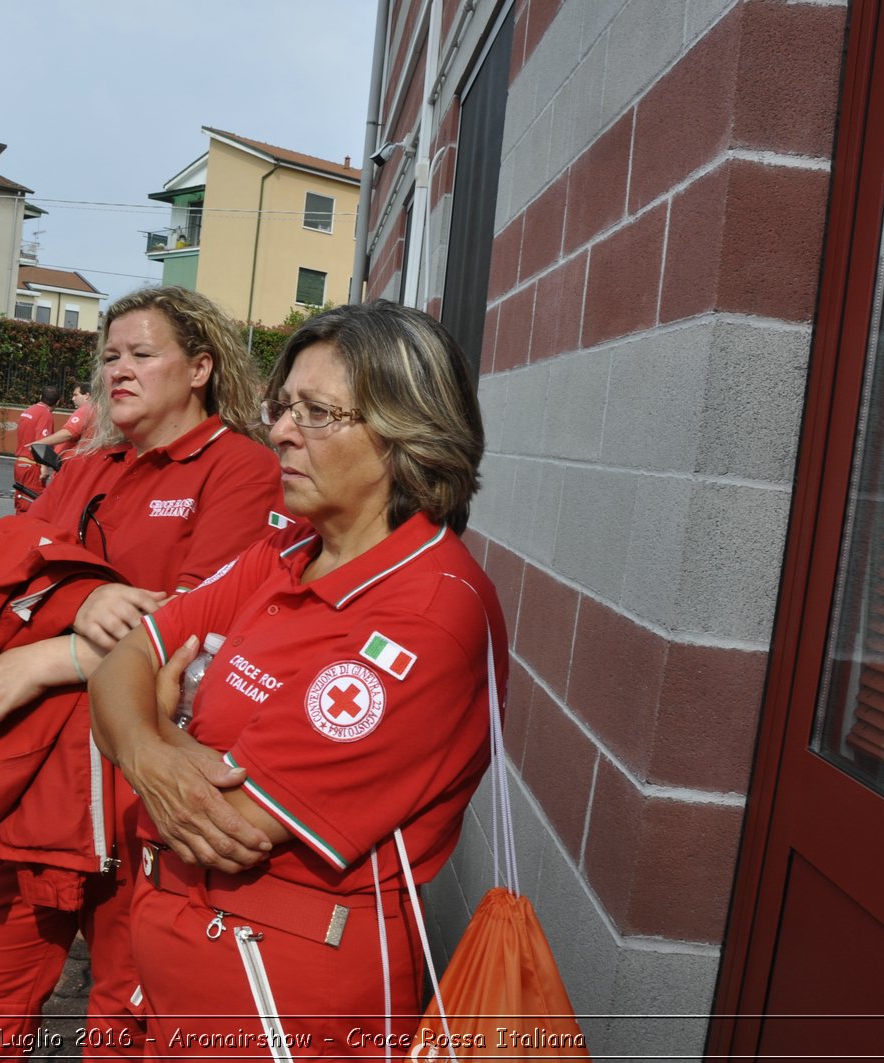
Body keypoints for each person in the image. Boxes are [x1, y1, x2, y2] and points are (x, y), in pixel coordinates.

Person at [90, 301, 509, 1057]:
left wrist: (146, 732)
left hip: (279, 1010)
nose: (280, 429)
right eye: (283, 406)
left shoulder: (427, 614)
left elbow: (236, 826)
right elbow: (122, 660)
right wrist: (154, 752)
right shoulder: (288, 550)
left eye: (316, 412)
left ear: (404, 432)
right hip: (179, 973)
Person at [0, 286, 283, 1059]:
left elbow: (203, 635)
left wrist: (53, 655)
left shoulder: (243, 469)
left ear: (199, 368)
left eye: (141, 354)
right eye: (111, 355)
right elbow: (6, 578)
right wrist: (89, 596)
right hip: (34, 776)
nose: (118, 368)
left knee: (127, 1009)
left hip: (141, 782)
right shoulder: (87, 468)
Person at [12, 383, 63, 513]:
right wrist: (44, 467)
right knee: (32, 504)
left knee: (21, 501)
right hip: (32, 465)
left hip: (21, 463)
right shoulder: (45, 415)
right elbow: (41, 443)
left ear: (40, 396)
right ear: (58, 402)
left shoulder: (29, 411)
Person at [31, 382, 96, 478]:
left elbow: (69, 433)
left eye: (75, 395)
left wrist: (40, 443)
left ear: (86, 396)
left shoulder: (85, 410)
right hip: (80, 466)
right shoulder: (97, 411)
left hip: (71, 466)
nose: (73, 399)